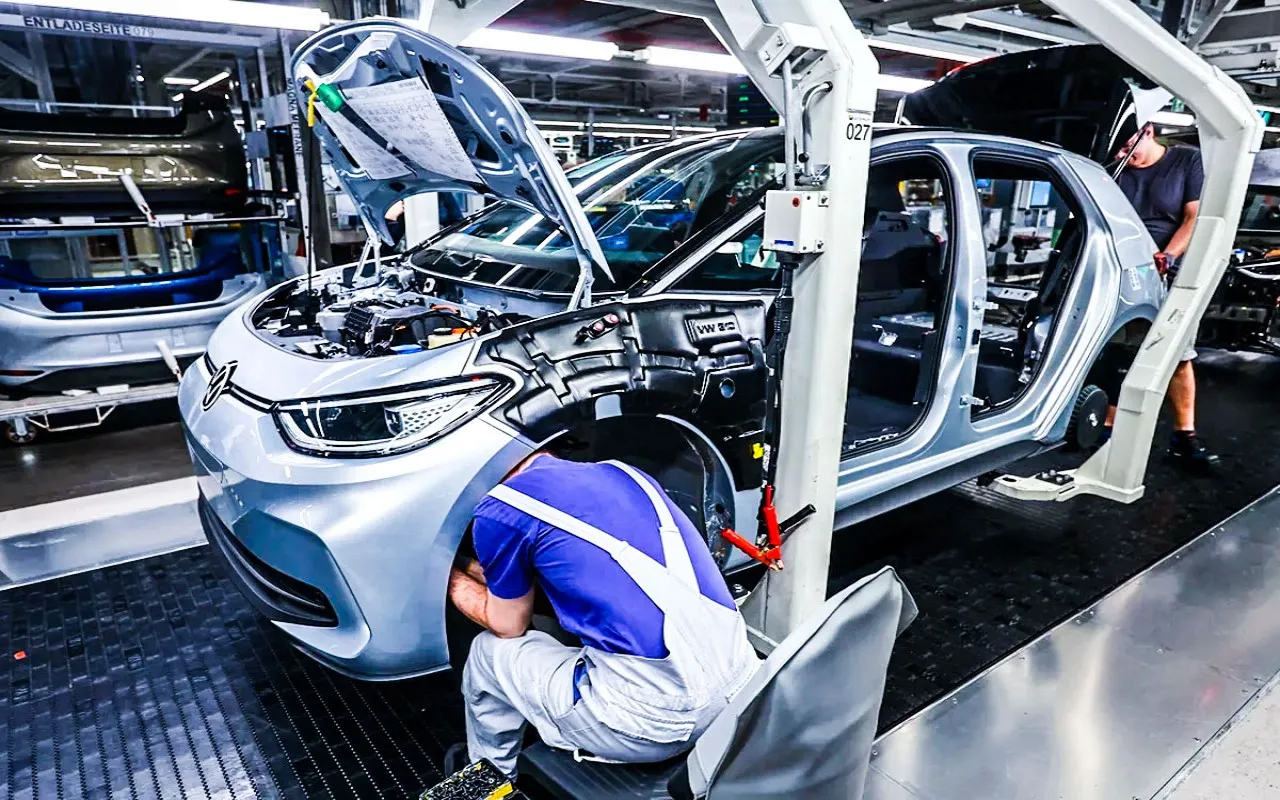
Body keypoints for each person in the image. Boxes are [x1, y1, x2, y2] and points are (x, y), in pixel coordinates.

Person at [447, 452, 761, 778]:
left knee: (487, 652)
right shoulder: (626, 474)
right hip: (743, 695)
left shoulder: (500, 510)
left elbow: (507, 625)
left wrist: (447, 574)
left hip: (655, 725)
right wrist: (472, 567)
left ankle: (488, 778)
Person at [1113, 123, 1218, 471]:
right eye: (1117, 149)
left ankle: (1184, 436)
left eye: (1127, 146)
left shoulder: (1186, 161)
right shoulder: (1115, 169)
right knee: (1115, 348)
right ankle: (1108, 426)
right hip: (1125, 270)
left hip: (1171, 271)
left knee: (1177, 354)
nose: (1123, 155)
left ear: (1148, 131)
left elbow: (1194, 217)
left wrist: (1169, 255)